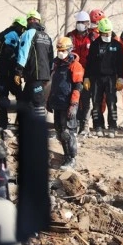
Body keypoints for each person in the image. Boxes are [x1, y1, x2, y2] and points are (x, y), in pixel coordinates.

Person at [47, 37, 84, 169]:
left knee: (68, 133)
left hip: (68, 104)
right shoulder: (56, 64)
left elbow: (78, 87)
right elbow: (54, 85)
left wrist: (74, 105)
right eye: (59, 50)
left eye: (63, 50)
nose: (60, 52)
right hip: (58, 102)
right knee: (59, 131)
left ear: (69, 50)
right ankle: (65, 155)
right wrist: (49, 100)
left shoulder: (75, 65)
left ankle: (71, 158)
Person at [84, 18, 123, 138]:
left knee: (112, 102)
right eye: (105, 33)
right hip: (96, 78)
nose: (108, 35)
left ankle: (112, 126)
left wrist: (120, 77)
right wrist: (86, 77)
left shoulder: (117, 45)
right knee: (96, 102)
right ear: (100, 32)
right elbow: (89, 62)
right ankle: (98, 126)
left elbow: (120, 63)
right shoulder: (95, 45)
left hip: (111, 78)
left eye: (109, 33)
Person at [14, 10, 53, 119]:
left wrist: (18, 71)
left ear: (29, 21)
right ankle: (27, 126)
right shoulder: (47, 36)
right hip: (43, 75)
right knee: (26, 100)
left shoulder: (29, 33)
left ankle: (40, 127)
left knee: (38, 101)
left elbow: (23, 52)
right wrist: (48, 74)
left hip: (33, 74)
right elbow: (51, 57)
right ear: (39, 21)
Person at [0, 17, 27, 129]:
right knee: (18, 97)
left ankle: (4, 123)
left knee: (4, 98)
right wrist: (17, 64)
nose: (24, 30)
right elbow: (9, 50)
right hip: (7, 74)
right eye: (23, 28)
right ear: (20, 26)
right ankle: (10, 123)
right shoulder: (13, 34)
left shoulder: (9, 33)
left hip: (2, 73)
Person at [67, 11, 94, 136]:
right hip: (73, 72)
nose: (80, 25)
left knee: (86, 99)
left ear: (88, 23)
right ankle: (75, 123)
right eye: (78, 22)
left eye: (83, 22)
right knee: (73, 98)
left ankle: (85, 124)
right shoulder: (70, 36)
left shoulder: (92, 37)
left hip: (88, 72)